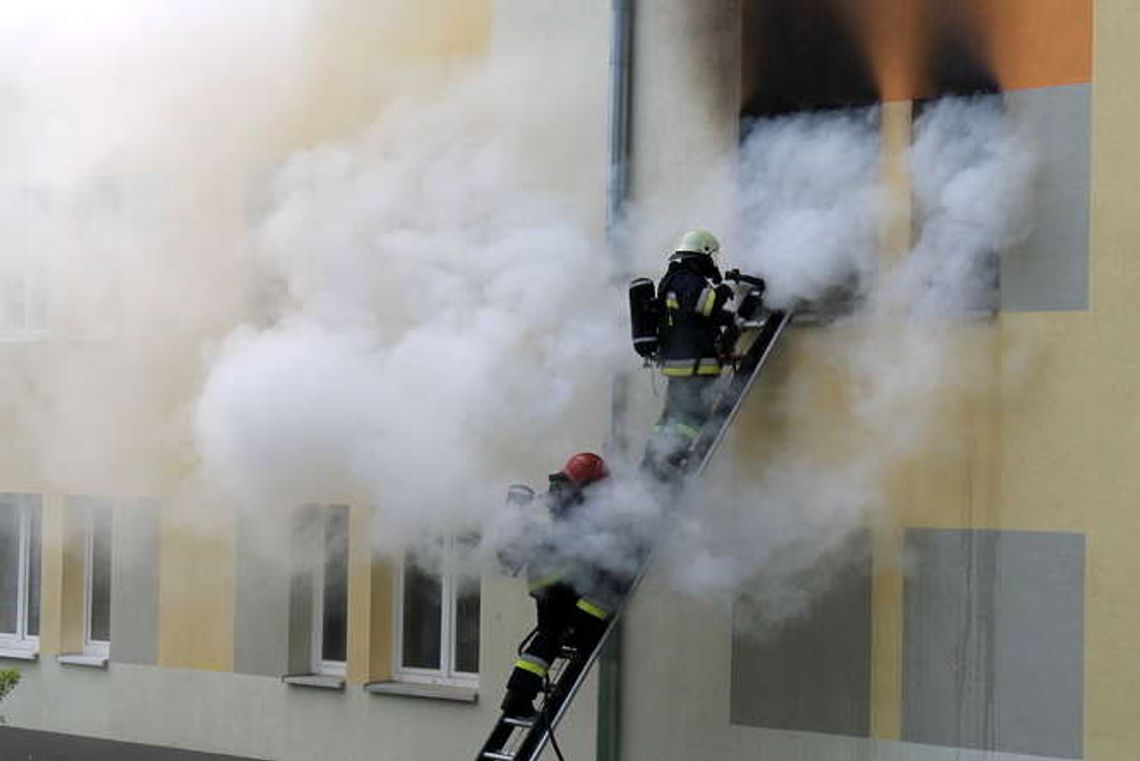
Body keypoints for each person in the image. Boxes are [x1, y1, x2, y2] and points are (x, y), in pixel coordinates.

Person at [499, 452, 617, 720]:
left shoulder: (556, 493)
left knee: (548, 637)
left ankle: (518, 697)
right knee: (600, 593)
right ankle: (518, 697)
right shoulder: (575, 499)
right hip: (560, 578)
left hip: (544, 580)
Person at [642, 229, 739, 476]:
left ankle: (654, 465)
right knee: (690, 420)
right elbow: (704, 305)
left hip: (679, 365)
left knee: (671, 419)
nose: (713, 263)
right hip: (695, 366)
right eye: (711, 257)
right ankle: (673, 463)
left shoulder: (672, 280)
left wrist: (731, 319)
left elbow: (689, 317)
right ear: (701, 255)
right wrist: (726, 288)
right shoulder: (689, 280)